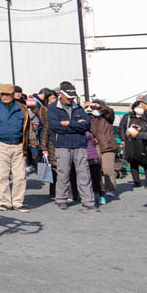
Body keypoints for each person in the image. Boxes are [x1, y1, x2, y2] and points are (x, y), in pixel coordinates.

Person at [0, 83, 31, 212]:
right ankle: (5, 202)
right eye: (3, 94)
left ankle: (18, 202)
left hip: (18, 145)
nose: (5, 96)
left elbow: (28, 129)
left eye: (8, 94)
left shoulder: (22, 108)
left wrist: (34, 144)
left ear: (13, 95)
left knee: (20, 175)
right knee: (2, 175)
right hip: (0, 144)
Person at [48, 83, 96, 211]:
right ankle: (61, 199)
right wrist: (76, 125)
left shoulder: (79, 108)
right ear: (61, 95)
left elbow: (86, 125)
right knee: (63, 173)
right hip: (62, 145)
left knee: (84, 174)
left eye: (72, 97)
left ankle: (89, 201)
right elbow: (55, 127)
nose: (71, 99)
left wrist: (68, 124)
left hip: (79, 144)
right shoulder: (52, 108)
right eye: (68, 97)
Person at [84, 98, 118, 200]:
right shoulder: (89, 117)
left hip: (108, 145)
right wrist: (84, 107)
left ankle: (110, 189)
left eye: (97, 107)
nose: (95, 109)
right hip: (94, 145)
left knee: (108, 169)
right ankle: (97, 188)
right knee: (95, 168)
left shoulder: (107, 117)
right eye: (93, 107)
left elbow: (110, 111)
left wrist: (99, 106)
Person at [119, 94, 147, 187]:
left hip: (143, 144)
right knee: (133, 162)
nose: (141, 106)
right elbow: (121, 128)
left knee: (146, 164)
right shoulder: (129, 116)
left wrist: (138, 134)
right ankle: (137, 181)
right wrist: (139, 130)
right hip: (132, 143)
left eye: (142, 103)